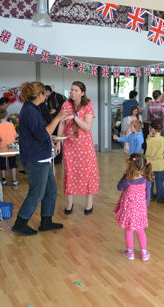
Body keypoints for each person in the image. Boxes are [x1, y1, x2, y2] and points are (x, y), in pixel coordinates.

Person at [11, 81, 68, 236]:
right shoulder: (30, 111)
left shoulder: (33, 108)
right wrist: (58, 118)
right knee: (36, 192)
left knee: (51, 190)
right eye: (45, 93)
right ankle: (20, 223)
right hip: (35, 158)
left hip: (41, 156)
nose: (46, 96)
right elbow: (42, 134)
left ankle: (46, 221)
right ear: (40, 95)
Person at [57, 81, 99, 215]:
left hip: (85, 146)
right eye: (71, 90)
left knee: (87, 173)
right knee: (69, 173)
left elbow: (87, 127)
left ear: (82, 92)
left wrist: (75, 117)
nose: (72, 92)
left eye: (75, 90)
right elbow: (61, 124)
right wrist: (58, 142)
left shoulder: (88, 106)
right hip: (69, 145)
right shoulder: (66, 105)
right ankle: (69, 203)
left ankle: (89, 203)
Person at [113, 153, 152, 261]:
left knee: (129, 230)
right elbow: (147, 196)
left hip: (128, 211)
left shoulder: (127, 180)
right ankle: (144, 253)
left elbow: (119, 187)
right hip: (140, 211)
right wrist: (144, 208)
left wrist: (124, 176)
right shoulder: (146, 180)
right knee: (140, 230)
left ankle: (130, 252)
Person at [145, 119, 164, 203]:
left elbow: (144, 148)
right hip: (159, 165)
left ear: (152, 129)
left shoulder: (148, 140)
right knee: (159, 182)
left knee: (150, 181)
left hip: (149, 165)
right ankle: (160, 198)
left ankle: (150, 196)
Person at [0, 108, 18, 186]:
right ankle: (14, 180)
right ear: (6, 116)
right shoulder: (11, 124)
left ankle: (4, 180)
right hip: (12, 148)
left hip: (2, 148)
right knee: (13, 164)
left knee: (3, 165)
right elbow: (15, 135)